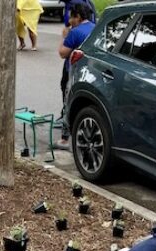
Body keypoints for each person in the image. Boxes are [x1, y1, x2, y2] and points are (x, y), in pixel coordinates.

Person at [55, 2, 94, 150]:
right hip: (90, 73)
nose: (70, 21)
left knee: (68, 101)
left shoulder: (75, 32)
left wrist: (64, 37)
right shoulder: (94, 28)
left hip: (73, 72)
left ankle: (65, 140)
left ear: (77, 16)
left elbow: (62, 53)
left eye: (71, 17)